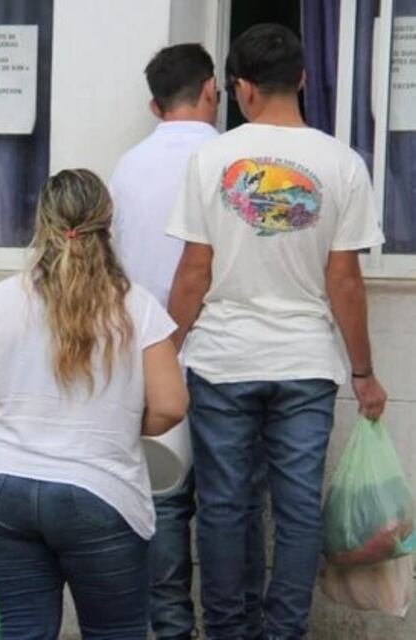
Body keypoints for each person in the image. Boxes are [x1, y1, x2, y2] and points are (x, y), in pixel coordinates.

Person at [166, 24, 387, 639]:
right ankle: (285, 632)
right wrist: (364, 373)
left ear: (240, 88)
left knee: (223, 506)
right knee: (295, 512)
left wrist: (163, 353)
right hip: (306, 364)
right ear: (303, 78)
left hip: (222, 362)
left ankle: (228, 630)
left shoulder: (210, 158)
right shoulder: (342, 163)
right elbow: (345, 281)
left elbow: (193, 272)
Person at [0, 169, 189, 639]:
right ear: (109, 225)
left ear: (41, 223)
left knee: (23, 629)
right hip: (98, 493)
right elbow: (171, 406)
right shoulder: (136, 307)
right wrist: (119, 424)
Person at [110, 43, 265, 640]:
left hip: (150, 355)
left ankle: (171, 626)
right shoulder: (232, 158)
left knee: (165, 498)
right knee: (233, 501)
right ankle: (237, 626)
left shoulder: (126, 167)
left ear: (153, 103)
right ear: (212, 91)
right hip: (227, 350)